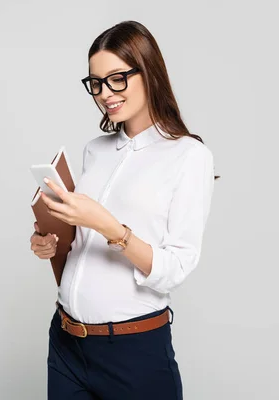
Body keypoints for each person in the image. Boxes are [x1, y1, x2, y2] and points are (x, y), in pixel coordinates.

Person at [29, 20, 218, 400]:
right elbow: (81, 242)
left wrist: (109, 227)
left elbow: (176, 267)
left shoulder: (189, 157)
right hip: (66, 342)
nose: (104, 94)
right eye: (95, 83)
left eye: (117, 78)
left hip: (133, 352)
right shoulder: (95, 150)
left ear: (148, 71)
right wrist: (48, 241)